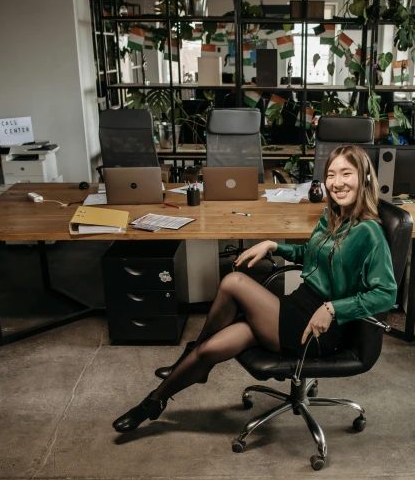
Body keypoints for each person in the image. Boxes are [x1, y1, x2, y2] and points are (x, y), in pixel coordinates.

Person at [112, 144, 398, 433]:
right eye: (331, 175)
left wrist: (333, 308)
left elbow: (386, 293)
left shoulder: (369, 232)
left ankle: (187, 358)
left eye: (346, 173)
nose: (337, 183)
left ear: (365, 178)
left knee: (234, 282)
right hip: (296, 307)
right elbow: (312, 256)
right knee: (211, 349)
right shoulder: (333, 216)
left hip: (317, 329)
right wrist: (274, 245)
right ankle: (153, 403)